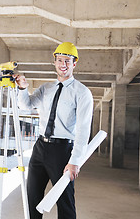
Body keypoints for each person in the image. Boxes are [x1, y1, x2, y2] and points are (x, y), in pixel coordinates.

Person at [14, 42, 93, 219]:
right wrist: (23, 88)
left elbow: (83, 129)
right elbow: (26, 105)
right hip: (40, 147)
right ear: (55, 62)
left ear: (74, 63)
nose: (63, 64)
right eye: (59, 60)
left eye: (67, 60)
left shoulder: (82, 93)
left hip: (62, 151)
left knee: (64, 201)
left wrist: (75, 161)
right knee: (32, 197)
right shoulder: (46, 88)